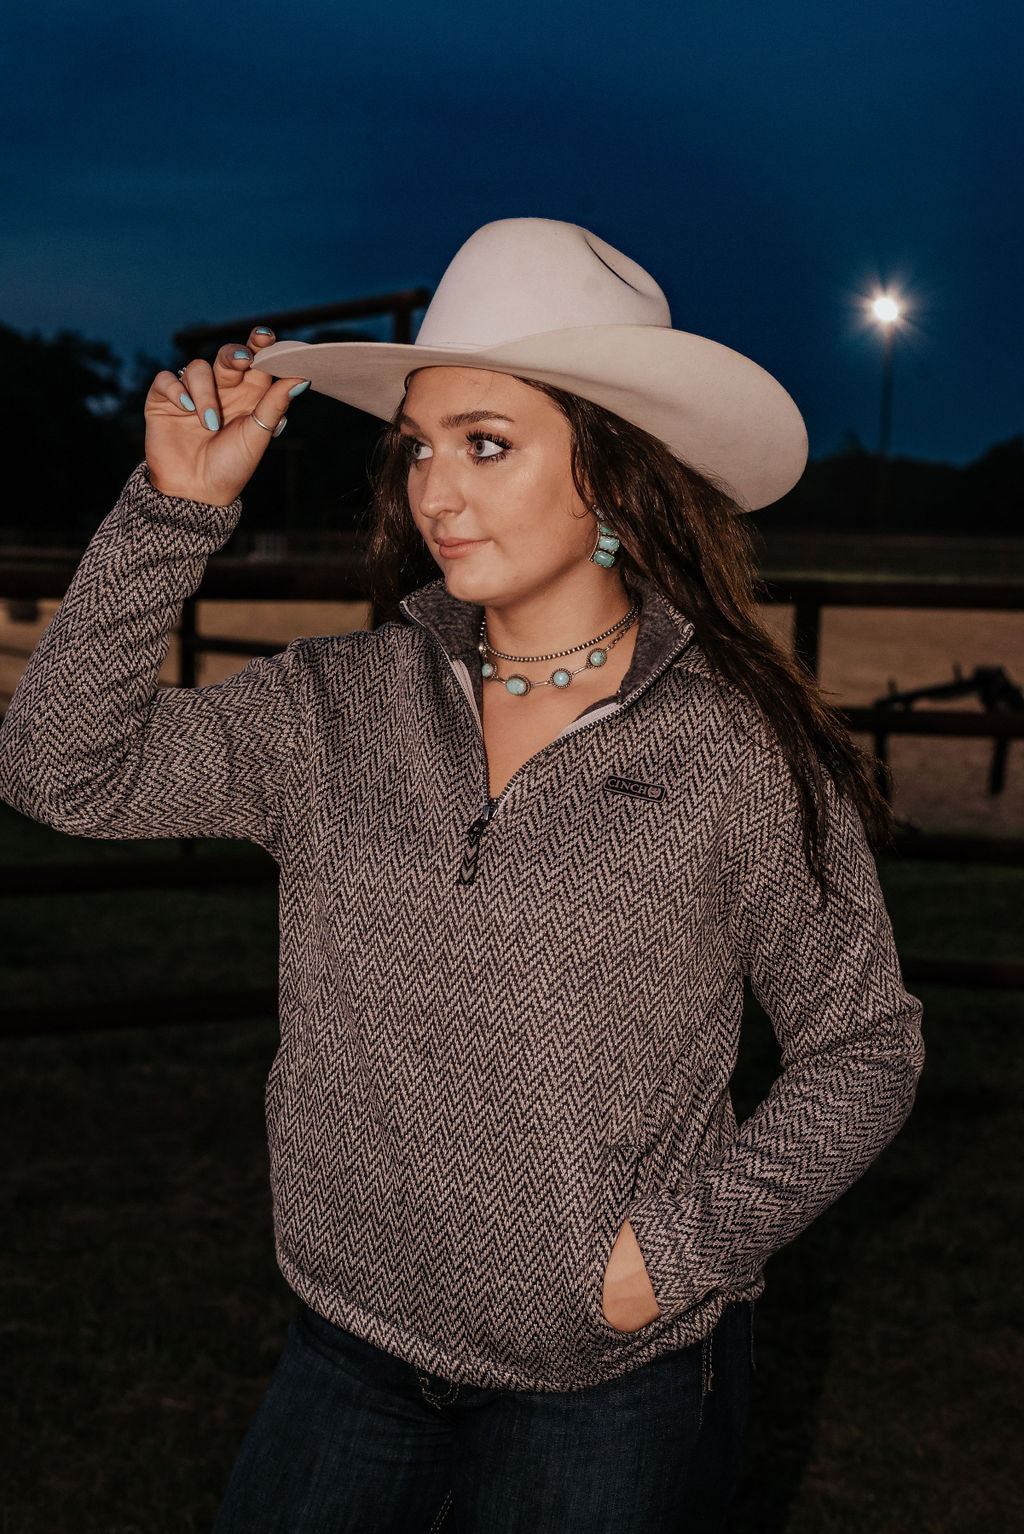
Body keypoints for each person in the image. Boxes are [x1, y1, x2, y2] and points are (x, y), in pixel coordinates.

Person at [0, 217, 926, 1533]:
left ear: (612, 471)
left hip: (605, 1383)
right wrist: (174, 511)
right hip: (347, 1346)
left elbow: (866, 1046)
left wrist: (669, 1255)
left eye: (486, 443)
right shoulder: (337, 706)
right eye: (419, 445)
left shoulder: (737, 751)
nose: (434, 490)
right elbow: (60, 769)